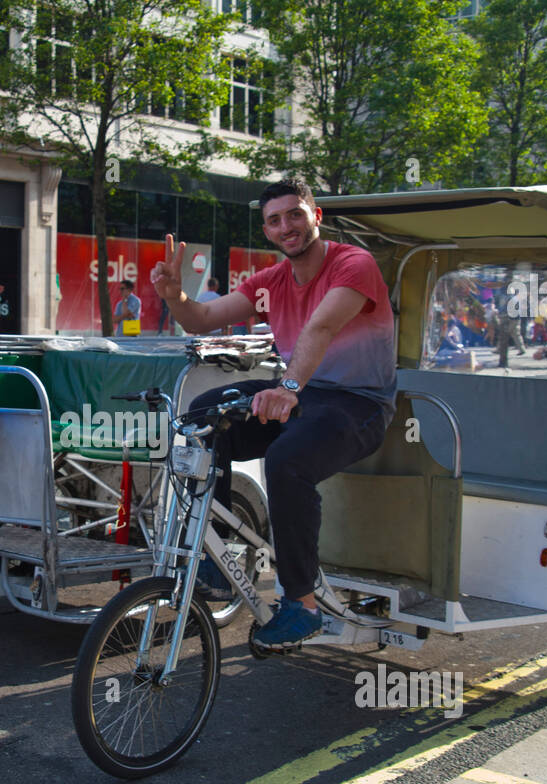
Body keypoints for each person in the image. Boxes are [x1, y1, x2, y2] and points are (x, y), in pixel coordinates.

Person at [150, 178, 396, 650]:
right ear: (266, 230)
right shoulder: (269, 282)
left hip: (359, 403)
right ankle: (219, 562)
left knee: (287, 461)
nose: (287, 226)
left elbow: (322, 326)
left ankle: (301, 605)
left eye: (295, 214)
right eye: (274, 220)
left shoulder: (354, 265)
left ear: (315, 215)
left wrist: (285, 386)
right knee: (206, 415)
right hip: (302, 394)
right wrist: (175, 296)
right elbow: (203, 320)